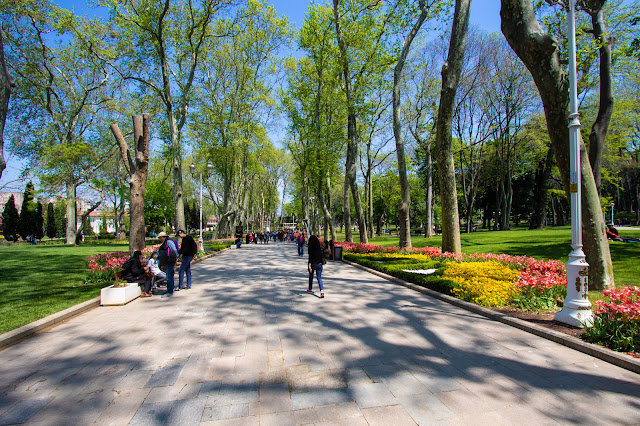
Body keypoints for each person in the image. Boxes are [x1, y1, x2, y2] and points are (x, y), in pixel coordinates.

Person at [158, 231, 179, 297]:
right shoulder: (167, 241)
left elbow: (174, 250)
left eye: (159, 238)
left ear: (162, 237)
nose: (159, 239)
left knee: (169, 276)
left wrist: (176, 258)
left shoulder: (168, 241)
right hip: (168, 260)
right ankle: (169, 290)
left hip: (169, 260)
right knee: (169, 276)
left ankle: (169, 291)